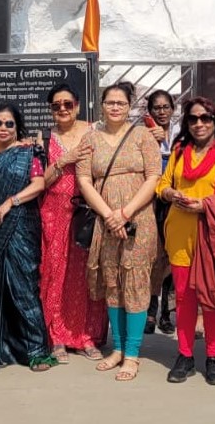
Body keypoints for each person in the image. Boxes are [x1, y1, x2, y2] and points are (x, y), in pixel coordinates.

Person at [157, 97, 215, 386]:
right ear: (186, 122)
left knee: (213, 302)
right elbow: (162, 185)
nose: (199, 124)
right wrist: (171, 194)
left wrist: (205, 206)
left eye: (205, 119)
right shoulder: (179, 152)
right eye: (193, 119)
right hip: (180, 237)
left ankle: (213, 358)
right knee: (184, 299)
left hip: (212, 241)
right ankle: (184, 355)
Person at [76, 82, 161, 382]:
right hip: (106, 222)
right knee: (112, 282)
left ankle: (134, 353)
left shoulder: (142, 136)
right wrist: (110, 215)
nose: (115, 107)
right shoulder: (91, 138)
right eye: (110, 102)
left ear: (129, 106)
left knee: (135, 282)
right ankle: (118, 348)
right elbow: (84, 180)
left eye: (120, 103)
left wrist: (125, 213)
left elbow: (153, 177)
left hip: (139, 220)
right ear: (101, 105)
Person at [0, 102, 58, 372]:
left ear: (17, 127)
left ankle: (37, 350)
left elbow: (39, 183)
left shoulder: (27, 151)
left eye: (9, 123)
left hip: (20, 224)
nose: (3, 128)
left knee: (24, 285)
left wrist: (11, 202)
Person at [39, 83, 106, 363]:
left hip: (87, 215)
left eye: (68, 104)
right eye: (56, 106)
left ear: (77, 105)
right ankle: (56, 337)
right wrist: (64, 160)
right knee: (56, 274)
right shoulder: (45, 138)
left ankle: (86, 336)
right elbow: (41, 180)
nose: (63, 109)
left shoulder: (95, 132)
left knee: (86, 274)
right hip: (54, 213)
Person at [144, 89, 178, 335]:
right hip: (150, 201)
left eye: (166, 107)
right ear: (150, 111)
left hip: (175, 200)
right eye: (157, 107)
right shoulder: (142, 133)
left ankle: (167, 312)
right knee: (153, 256)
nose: (162, 111)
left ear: (173, 109)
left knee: (172, 257)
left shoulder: (181, 135)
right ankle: (150, 311)